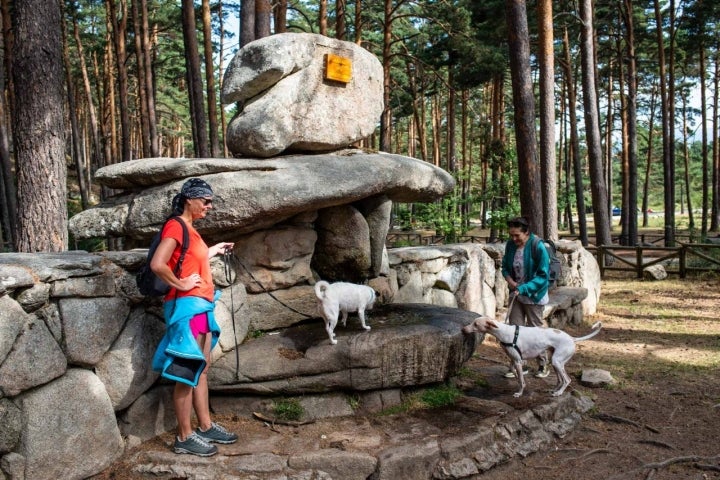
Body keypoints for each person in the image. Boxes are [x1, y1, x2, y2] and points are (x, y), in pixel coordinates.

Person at [150, 178, 238, 457]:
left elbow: (190, 259)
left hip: (201, 306)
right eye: (205, 201)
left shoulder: (190, 231)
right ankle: (184, 437)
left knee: (201, 367)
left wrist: (215, 249)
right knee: (187, 370)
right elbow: (157, 264)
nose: (209, 206)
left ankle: (206, 426)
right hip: (188, 306)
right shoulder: (176, 225)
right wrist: (181, 284)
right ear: (189, 199)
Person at [500, 216, 551, 379]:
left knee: (535, 330)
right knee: (515, 330)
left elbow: (543, 276)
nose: (513, 239)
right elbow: (505, 267)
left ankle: (543, 364)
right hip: (516, 293)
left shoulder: (538, 246)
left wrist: (523, 287)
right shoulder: (510, 245)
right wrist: (510, 280)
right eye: (511, 235)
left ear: (526, 232)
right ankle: (519, 364)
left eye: (517, 235)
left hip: (534, 295)